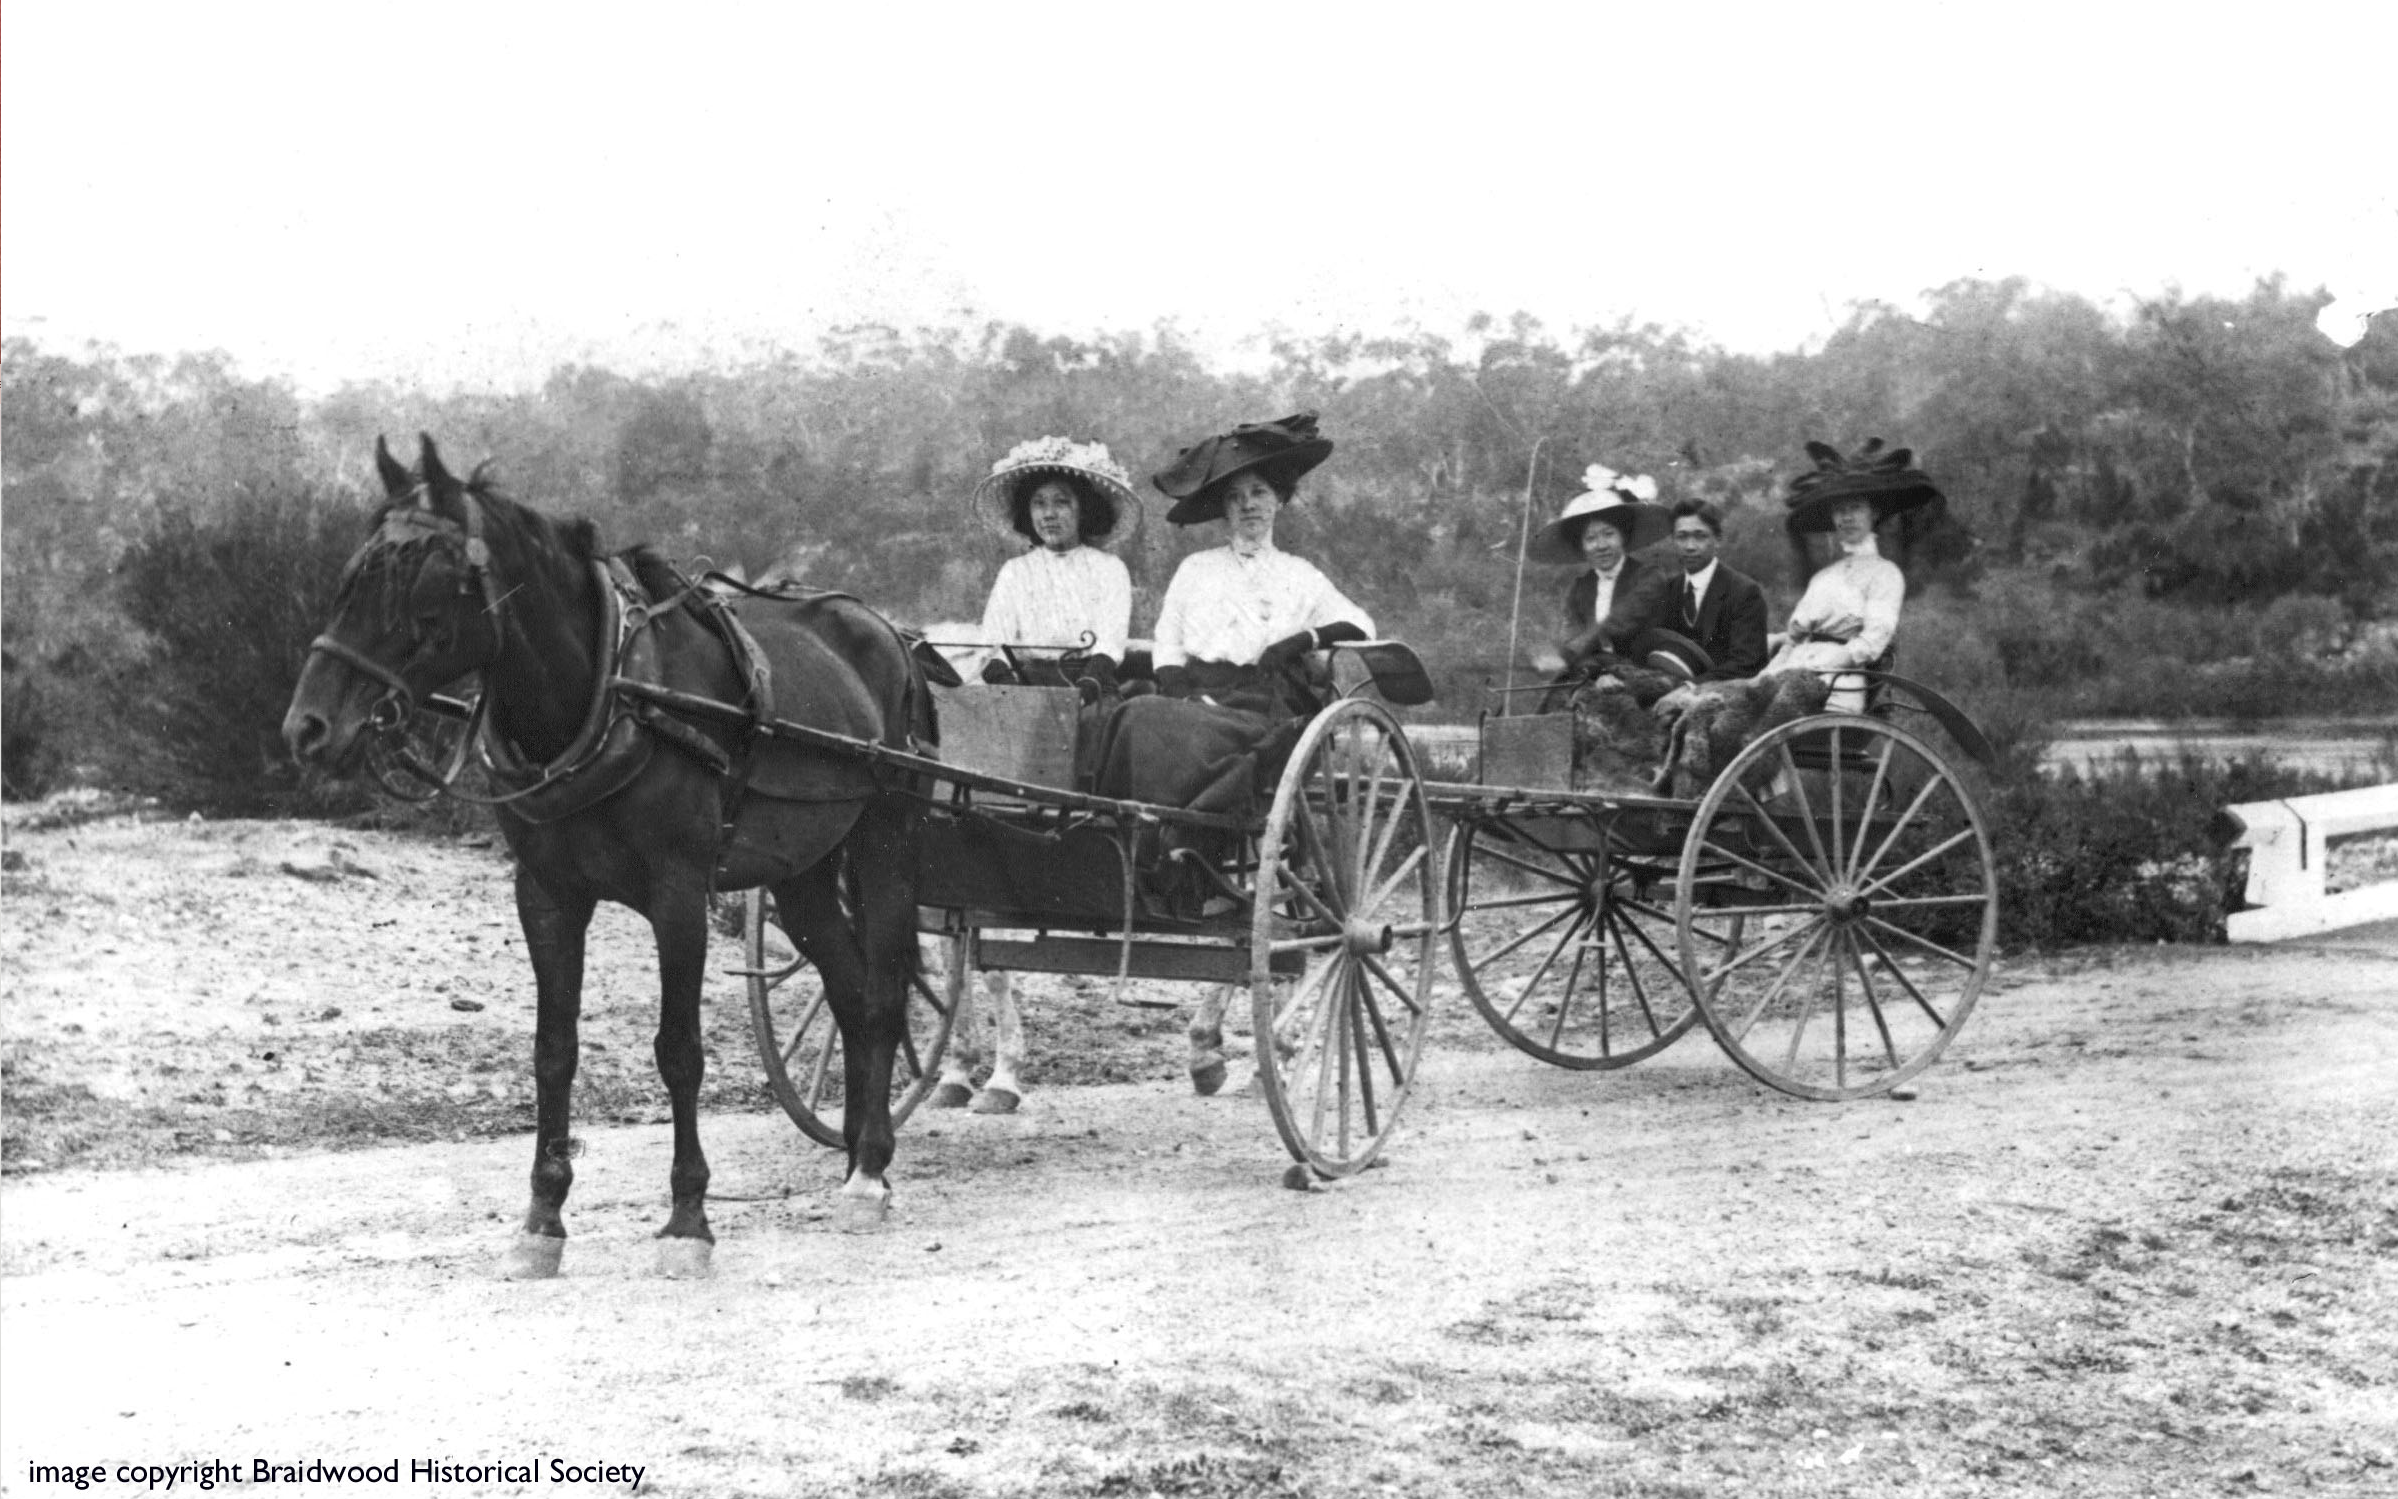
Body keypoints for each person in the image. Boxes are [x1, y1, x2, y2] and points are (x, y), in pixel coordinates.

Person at [1147, 411, 1373, 715]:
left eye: (1259, 492)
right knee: (1137, 713)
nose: (1248, 504)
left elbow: (1361, 625)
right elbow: (1168, 644)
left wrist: (1297, 643)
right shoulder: (1195, 568)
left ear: (1279, 499)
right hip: (1200, 698)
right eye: (1234, 497)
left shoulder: (1299, 574)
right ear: (1224, 508)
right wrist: (1183, 697)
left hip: (1265, 703)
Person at [1762, 438, 1940, 712]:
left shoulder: (1885, 574)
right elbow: (1794, 641)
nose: (1847, 517)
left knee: (1776, 709)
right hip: (1793, 671)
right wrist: (1766, 674)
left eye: (1855, 507)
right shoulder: (1823, 578)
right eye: (1840, 510)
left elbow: (1873, 640)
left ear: (1874, 513)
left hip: (1837, 682)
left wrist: (1821, 667)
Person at [1526, 464, 1704, 704]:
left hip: (1653, 670)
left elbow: (1621, 620)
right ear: (1581, 546)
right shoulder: (1580, 589)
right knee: (1554, 701)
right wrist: (1592, 670)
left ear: (1623, 536)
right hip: (1597, 675)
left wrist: (1574, 650)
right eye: (1590, 538)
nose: (1601, 545)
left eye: (1608, 534)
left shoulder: (1649, 576)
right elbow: (1572, 637)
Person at [971, 436, 1138, 690]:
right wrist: (1008, 685)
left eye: (1061, 502)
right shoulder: (1015, 571)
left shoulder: (1109, 568)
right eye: (1039, 503)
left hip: (1089, 682)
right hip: (1025, 683)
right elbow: (993, 642)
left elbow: (1109, 643)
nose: (1049, 514)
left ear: (1083, 510)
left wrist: (1087, 685)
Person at [1666, 497, 1771, 681]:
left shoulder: (1744, 592)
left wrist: (1690, 687)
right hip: (1671, 688)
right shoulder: (1668, 590)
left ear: (1718, 539)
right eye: (1682, 537)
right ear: (1673, 540)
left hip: (1725, 691)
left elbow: (1746, 663)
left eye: (1700, 536)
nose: (1690, 546)